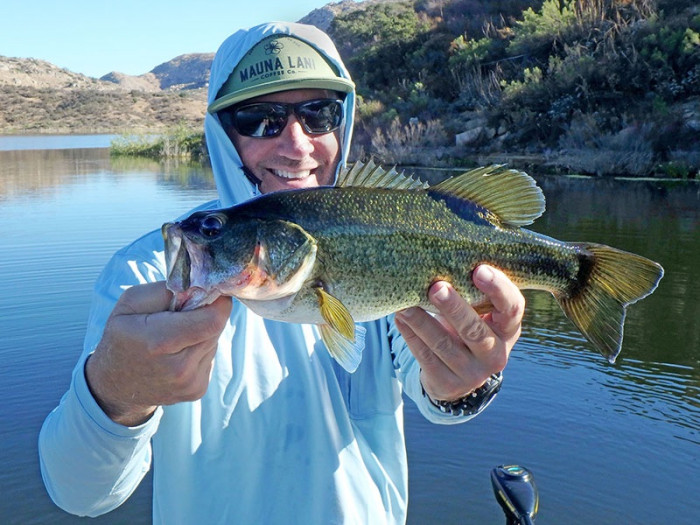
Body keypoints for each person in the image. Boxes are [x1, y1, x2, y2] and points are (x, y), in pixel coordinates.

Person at [39, 21, 524, 524]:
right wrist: (114, 394)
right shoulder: (146, 275)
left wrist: (467, 378)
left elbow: (430, 381)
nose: (297, 145)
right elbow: (80, 493)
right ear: (222, 135)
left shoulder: (381, 233)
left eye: (319, 114)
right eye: (260, 119)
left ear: (344, 122)